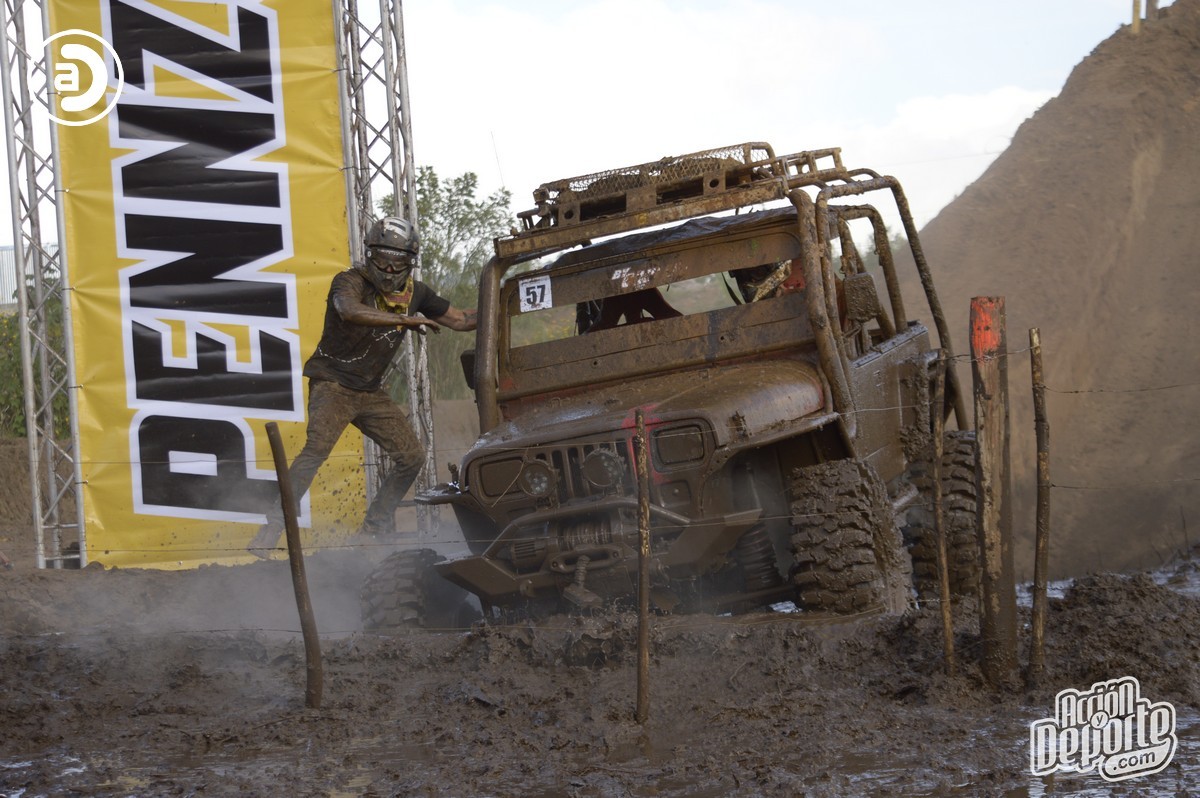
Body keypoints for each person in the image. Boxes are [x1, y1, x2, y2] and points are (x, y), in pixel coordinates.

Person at [248, 216, 476, 556]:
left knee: (411, 457)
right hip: (333, 384)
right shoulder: (349, 281)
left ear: (410, 263)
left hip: (370, 392)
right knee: (316, 449)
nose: (388, 269)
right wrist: (402, 318)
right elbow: (349, 310)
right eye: (382, 260)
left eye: (397, 262)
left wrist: (503, 302)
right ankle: (272, 528)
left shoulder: (417, 293)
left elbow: (460, 320)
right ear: (369, 255)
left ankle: (374, 528)